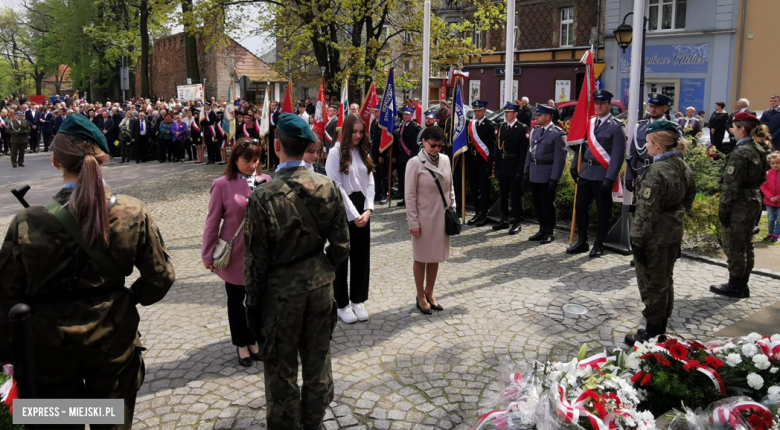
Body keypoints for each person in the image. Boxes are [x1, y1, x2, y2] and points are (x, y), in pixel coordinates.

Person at [0, 113, 175, 427]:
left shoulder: (27, 222)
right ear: (103, 158)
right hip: (113, 347)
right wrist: (127, 299)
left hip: (49, 353)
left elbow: (6, 297)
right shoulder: (132, 211)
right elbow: (161, 277)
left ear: (55, 161)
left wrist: (10, 357)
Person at [244, 113, 349, 430]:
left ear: (276, 146)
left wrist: (253, 307)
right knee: (318, 362)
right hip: (319, 291)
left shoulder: (262, 197)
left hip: (280, 296)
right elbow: (342, 244)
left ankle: (287, 424)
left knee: (281, 369)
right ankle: (314, 421)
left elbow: (255, 263)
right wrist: (320, 270)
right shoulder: (328, 187)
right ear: (308, 147)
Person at [623, 120, 696, 345]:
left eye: (648, 142)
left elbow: (646, 212)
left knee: (652, 282)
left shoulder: (657, 171)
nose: (647, 146)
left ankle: (652, 333)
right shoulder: (681, 164)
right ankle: (660, 325)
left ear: (658, 145)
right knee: (665, 279)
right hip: (672, 231)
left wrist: (637, 240)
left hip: (654, 235)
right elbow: (690, 196)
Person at [202, 138, 268, 367]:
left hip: (260, 253)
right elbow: (212, 222)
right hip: (235, 253)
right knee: (236, 300)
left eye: (256, 159)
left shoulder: (266, 181)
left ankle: (254, 338)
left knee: (257, 300)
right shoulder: (222, 184)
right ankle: (242, 343)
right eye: (247, 160)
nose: (252, 165)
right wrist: (207, 254)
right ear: (235, 159)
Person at [710, 112, 769, 298]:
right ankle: (742, 284)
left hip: (739, 204)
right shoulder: (757, 148)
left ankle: (735, 285)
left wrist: (724, 208)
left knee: (734, 244)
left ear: (742, 129)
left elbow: (731, 185)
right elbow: (762, 178)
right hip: (753, 199)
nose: (731, 129)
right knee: (746, 244)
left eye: (734, 127)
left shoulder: (741, 152)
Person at [326, 114, 375, 324]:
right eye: (354, 131)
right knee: (342, 257)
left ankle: (358, 300)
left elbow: (370, 182)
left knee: (361, 256)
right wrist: (354, 214)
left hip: (363, 206)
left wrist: (369, 210)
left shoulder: (363, 151)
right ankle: (342, 303)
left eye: (360, 132)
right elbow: (335, 186)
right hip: (343, 208)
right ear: (346, 131)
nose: (357, 135)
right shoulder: (335, 152)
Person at [567, 90, 627, 257]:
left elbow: (618, 155)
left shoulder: (617, 127)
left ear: (609, 105)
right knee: (580, 207)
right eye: (597, 103)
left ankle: (599, 244)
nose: (599, 105)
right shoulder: (589, 123)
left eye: (603, 103)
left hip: (602, 175)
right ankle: (582, 241)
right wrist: (574, 165)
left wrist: (610, 177)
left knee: (603, 211)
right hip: (586, 172)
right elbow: (581, 146)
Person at [405, 125, 454, 315]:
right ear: (424, 142)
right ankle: (420, 295)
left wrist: (453, 205)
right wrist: (413, 223)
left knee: (436, 257)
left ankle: (430, 292)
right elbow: (409, 196)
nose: (436, 149)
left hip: (441, 215)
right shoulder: (414, 163)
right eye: (433, 145)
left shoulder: (445, 160)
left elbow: (450, 186)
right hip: (423, 218)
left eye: (440, 146)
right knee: (421, 257)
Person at [524, 104, 567, 243]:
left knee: (547, 204)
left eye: (539, 115)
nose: (536, 117)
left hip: (547, 174)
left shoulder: (558, 134)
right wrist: (526, 171)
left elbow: (560, 159)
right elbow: (529, 153)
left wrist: (555, 178)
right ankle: (541, 229)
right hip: (535, 172)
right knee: (537, 203)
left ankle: (549, 231)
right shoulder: (535, 131)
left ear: (547, 117)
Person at [626, 94, 681, 193]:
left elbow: (679, 156)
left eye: (657, 106)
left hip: (663, 172)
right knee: (641, 204)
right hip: (641, 171)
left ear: (665, 108)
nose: (653, 109)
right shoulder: (640, 126)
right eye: (651, 106)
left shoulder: (673, 128)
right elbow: (633, 154)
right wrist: (629, 177)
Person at [493, 102, 530, 235]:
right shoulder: (502, 127)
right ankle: (504, 218)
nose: (506, 114)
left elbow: (523, 152)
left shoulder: (522, 128)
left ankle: (517, 221)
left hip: (515, 165)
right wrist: (495, 166)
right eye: (506, 112)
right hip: (503, 164)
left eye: (509, 112)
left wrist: (520, 171)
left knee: (515, 195)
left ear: (515, 114)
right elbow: (498, 149)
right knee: (503, 194)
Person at [466, 100, 496, 227]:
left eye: (479, 110)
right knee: (474, 189)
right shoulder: (471, 125)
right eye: (475, 110)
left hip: (483, 162)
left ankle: (484, 214)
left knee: (483, 190)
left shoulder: (490, 125)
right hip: (473, 162)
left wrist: (490, 165)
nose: (477, 113)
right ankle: (477, 212)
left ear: (484, 111)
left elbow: (492, 147)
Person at [394, 107, 421, 207]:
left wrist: (413, 158)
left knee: (411, 181)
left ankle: (411, 200)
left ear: (412, 115)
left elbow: (415, 145)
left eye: (407, 114)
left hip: (410, 157)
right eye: (404, 114)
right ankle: (405, 198)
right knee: (403, 179)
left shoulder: (415, 127)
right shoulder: (402, 126)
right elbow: (398, 143)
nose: (405, 116)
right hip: (402, 157)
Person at [369, 104, 388, 203]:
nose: (374, 113)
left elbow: (384, 141)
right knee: (375, 174)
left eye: (376, 111)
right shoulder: (373, 123)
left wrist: (382, 155)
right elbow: (372, 138)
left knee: (383, 175)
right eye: (374, 112)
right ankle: (377, 193)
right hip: (374, 152)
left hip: (381, 153)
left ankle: (384, 194)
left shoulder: (383, 124)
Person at [761, 151, 780, 242]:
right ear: (770, 164)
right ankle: (770, 233)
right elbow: (763, 186)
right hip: (769, 201)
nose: (775, 165)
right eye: (773, 163)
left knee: (779, 218)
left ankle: (776, 234)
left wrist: (778, 197)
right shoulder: (767, 174)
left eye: (777, 163)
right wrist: (770, 196)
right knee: (771, 217)